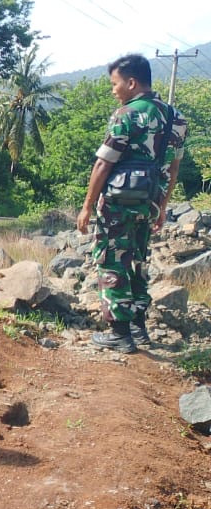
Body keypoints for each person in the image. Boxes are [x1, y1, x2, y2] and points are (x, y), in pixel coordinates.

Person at [76, 53, 187, 353]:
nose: (113, 90)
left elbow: (103, 165)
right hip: (149, 202)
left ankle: (119, 332)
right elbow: (172, 169)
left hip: (118, 203)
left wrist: (87, 206)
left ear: (132, 82)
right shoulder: (176, 118)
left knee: (112, 259)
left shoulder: (127, 115)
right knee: (138, 261)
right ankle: (139, 330)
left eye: (115, 84)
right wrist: (162, 206)